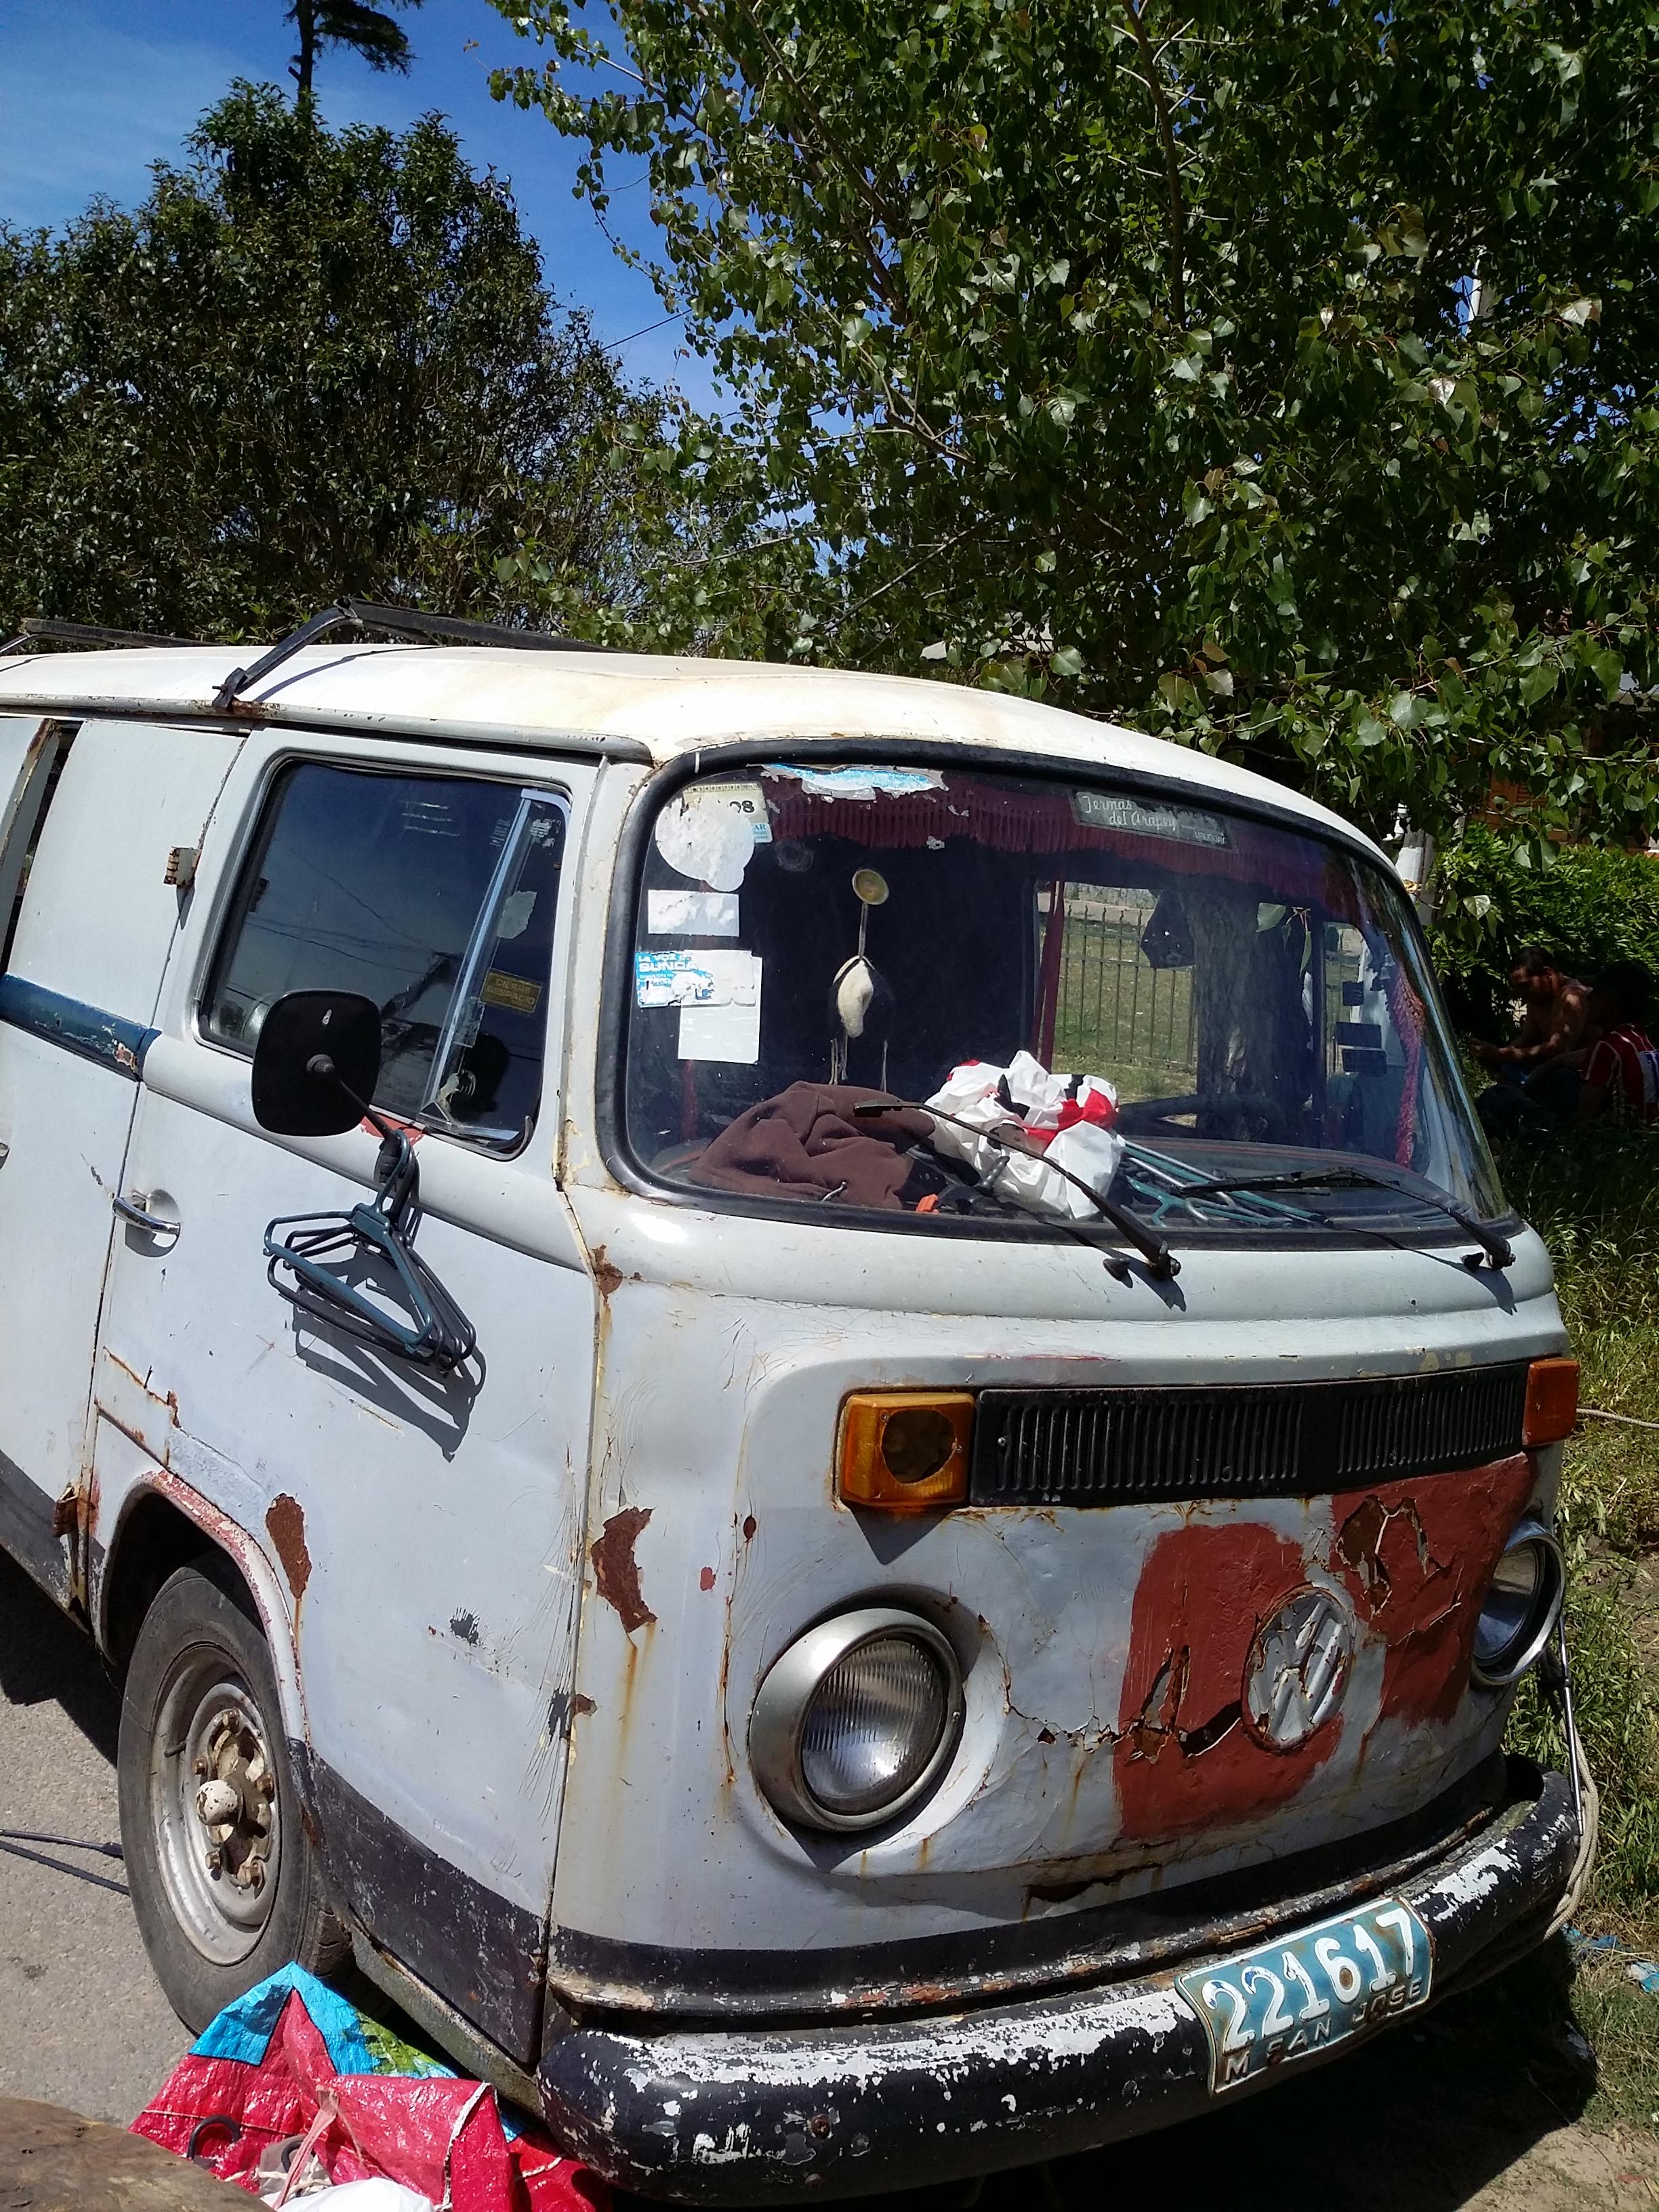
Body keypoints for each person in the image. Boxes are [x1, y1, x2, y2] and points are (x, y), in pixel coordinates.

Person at [1474, 948, 1596, 1134]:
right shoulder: (1538, 1000)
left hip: (1576, 1081)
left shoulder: (1572, 996)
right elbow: (1527, 1039)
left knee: (1558, 1078)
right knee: (1506, 1075)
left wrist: (1501, 1054)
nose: (1521, 995)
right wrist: (1495, 1056)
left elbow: (1558, 1049)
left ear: (1548, 974)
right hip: (1547, 1073)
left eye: (1525, 985)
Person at [1574, 962, 1659, 1128]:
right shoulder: (1641, 1040)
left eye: (1596, 992)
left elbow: (1583, 1119)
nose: (1588, 997)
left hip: (1621, 1135)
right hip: (1645, 1133)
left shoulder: (1607, 1047)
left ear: (1610, 1000)